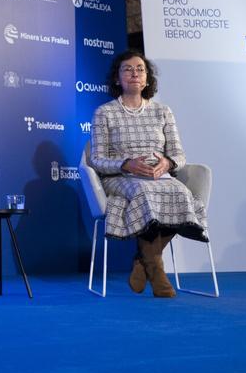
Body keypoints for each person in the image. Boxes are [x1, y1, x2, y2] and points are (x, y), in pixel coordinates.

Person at [88, 49, 209, 298]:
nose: (135, 73)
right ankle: (157, 271)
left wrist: (167, 163)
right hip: (121, 178)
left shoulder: (162, 111)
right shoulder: (104, 112)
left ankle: (143, 261)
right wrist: (127, 164)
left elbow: (178, 154)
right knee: (145, 191)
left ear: (147, 78)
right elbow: (98, 160)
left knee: (181, 193)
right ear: (117, 78)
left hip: (159, 176)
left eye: (140, 69)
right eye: (128, 69)